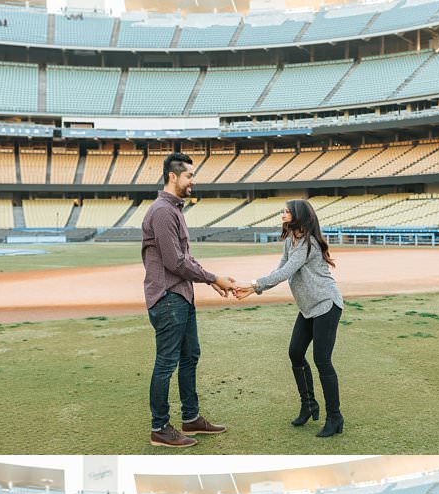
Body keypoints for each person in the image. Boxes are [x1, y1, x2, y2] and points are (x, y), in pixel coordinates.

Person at [140, 151, 242, 448]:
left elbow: (185, 258)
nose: (192, 181)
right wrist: (213, 278)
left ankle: (191, 417)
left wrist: (210, 282)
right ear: (173, 177)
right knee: (166, 363)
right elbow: (175, 262)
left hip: (181, 296)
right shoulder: (162, 211)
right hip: (168, 298)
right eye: (189, 176)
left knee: (189, 357)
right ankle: (159, 427)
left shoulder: (174, 210)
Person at [242, 199, 346, 438]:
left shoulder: (308, 243)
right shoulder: (291, 240)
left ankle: (335, 417)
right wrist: (253, 288)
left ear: (298, 215)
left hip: (326, 304)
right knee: (295, 353)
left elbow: (287, 272)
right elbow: (279, 270)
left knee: (322, 360)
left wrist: (253, 284)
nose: (283, 213)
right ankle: (309, 405)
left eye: (287, 211)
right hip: (308, 307)